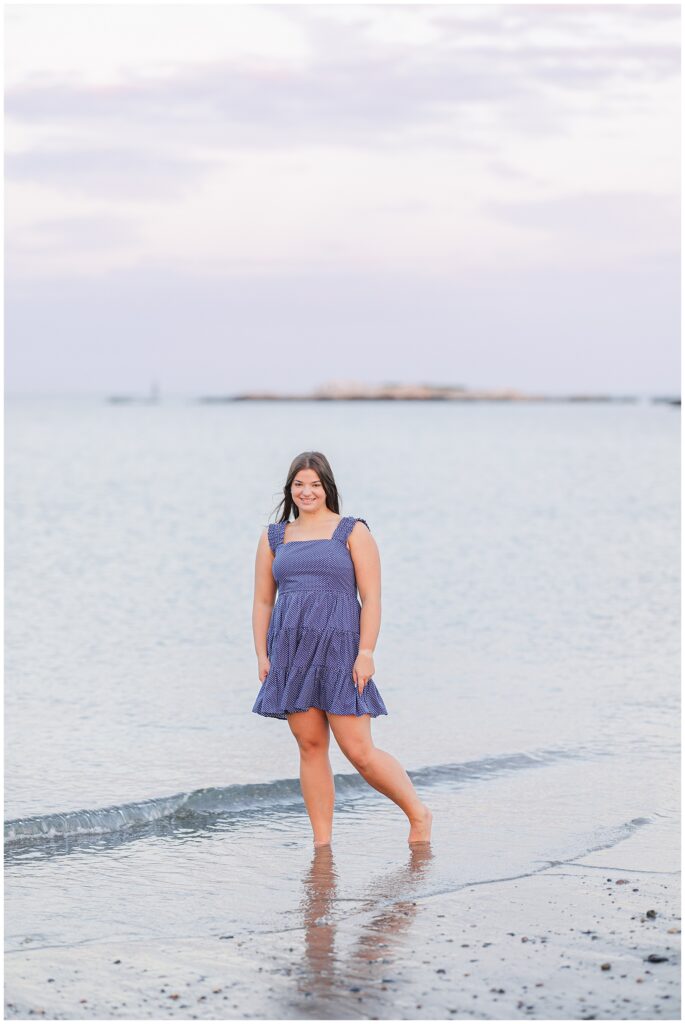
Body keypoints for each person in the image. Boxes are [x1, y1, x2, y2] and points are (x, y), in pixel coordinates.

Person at [252, 450, 432, 848]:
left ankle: (418, 814)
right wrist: (262, 655)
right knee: (310, 746)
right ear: (290, 489)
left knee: (360, 751)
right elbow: (264, 601)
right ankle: (322, 846)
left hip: (340, 649)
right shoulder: (274, 537)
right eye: (299, 484)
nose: (306, 491)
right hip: (291, 651)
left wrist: (366, 652)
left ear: (327, 487)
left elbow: (372, 598)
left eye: (314, 484)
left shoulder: (351, 531)